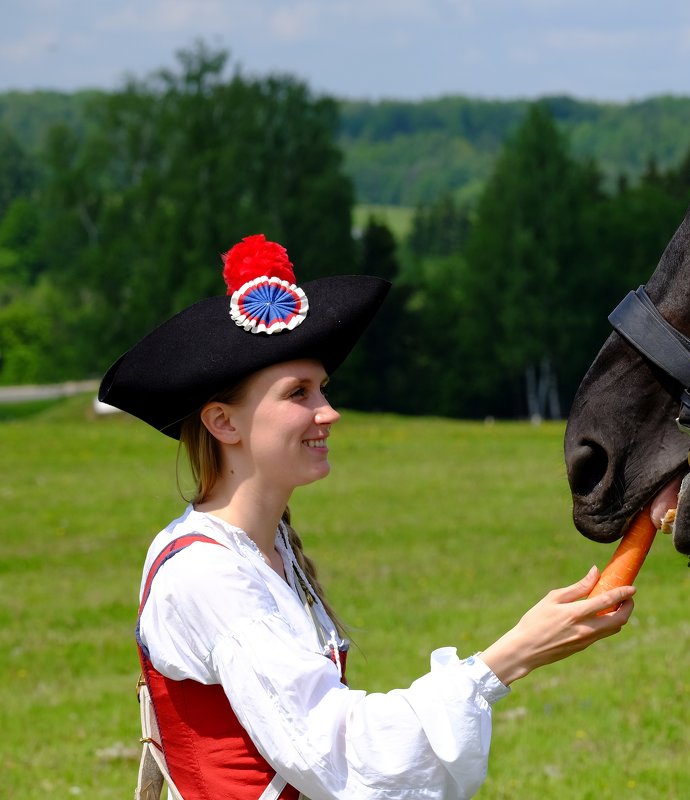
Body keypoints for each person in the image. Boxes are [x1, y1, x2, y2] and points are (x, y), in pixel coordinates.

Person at [99, 234, 636, 800]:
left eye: (322, 389)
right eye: (297, 393)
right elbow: (341, 755)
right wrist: (508, 657)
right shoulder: (208, 577)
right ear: (223, 423)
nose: (327, 412)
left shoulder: (263, 549)